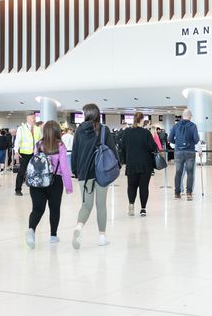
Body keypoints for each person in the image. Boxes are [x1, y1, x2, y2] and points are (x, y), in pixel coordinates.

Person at [71, 103, 119, 249]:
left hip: (84, 174)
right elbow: (112, 151)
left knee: (86, 205)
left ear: (86, 114)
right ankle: (102, 237)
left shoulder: (79, 131)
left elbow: (75, 153)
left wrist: (76, 171)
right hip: (101, 172)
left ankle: (79, 227)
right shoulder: (104, 130)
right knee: (101, 205)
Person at [26, 120, 73, 248]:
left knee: (37, 209)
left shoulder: (39, 144)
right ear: (58, 131)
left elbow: (36, 163)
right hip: (55, 181)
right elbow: (64, 167)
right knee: (54, 208)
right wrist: (69, 187)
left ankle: (31, 230)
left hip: (37, 181)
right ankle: (53, 235)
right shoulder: (60, 145)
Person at [120, 113, 158, 217]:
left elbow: (122, 147)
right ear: (142, 120)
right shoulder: (145, 133)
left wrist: (126, 160)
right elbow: (153, 147)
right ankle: (143, 209)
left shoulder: (127, 132)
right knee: (144, 187)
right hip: (145, 164)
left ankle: (131, 205)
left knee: (131, 186)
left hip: (131, 164)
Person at [168, 109, 199, 201]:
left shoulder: (176, 125)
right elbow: (196, 139)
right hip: (190, 152)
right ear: (189, 116)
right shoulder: (193, 126)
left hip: (178, 152)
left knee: (178, 173)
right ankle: (189, 193)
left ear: (182, 116)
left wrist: (177, 143)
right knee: (190, 173)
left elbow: (170, 138)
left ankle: (177, 193)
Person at [14, 114, 42, 196]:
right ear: (28, 119)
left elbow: (40, 141)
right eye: (33, 118)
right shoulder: (21, 128)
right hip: (24, 153)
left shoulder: (37, 129)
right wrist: (16, 151)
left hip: (35, 153)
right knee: (22, 171)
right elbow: (17, 140)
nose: (34, 119)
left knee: (35, 172)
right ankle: (18, 189)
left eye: (34, 118)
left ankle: (35, 188)